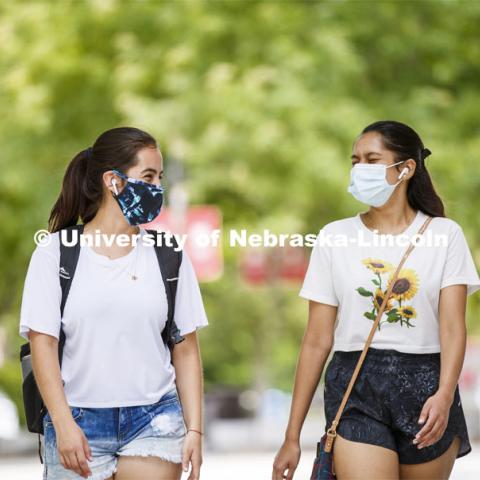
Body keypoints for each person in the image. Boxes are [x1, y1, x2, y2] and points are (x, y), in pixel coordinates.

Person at [272, 120, 480, 480]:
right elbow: (317, 340)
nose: (358, 169)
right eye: (355, 161)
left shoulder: (446, 235)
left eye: (371, 159)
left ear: (406, 169)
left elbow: (452, 327)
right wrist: (292, 436)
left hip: (428, 388)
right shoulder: (334, 237)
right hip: (356, 387)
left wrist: (445, 394)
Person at [19, 126, 208, 480]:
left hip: (156, 418)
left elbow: (185, 348)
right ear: (114, 181)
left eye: (159, 178)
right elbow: (42, 343)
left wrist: (195, 430)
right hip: (77, 419)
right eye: (147, 177)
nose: (156, 189)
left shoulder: (168, 253)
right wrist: (61, 423)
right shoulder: (55, 252)